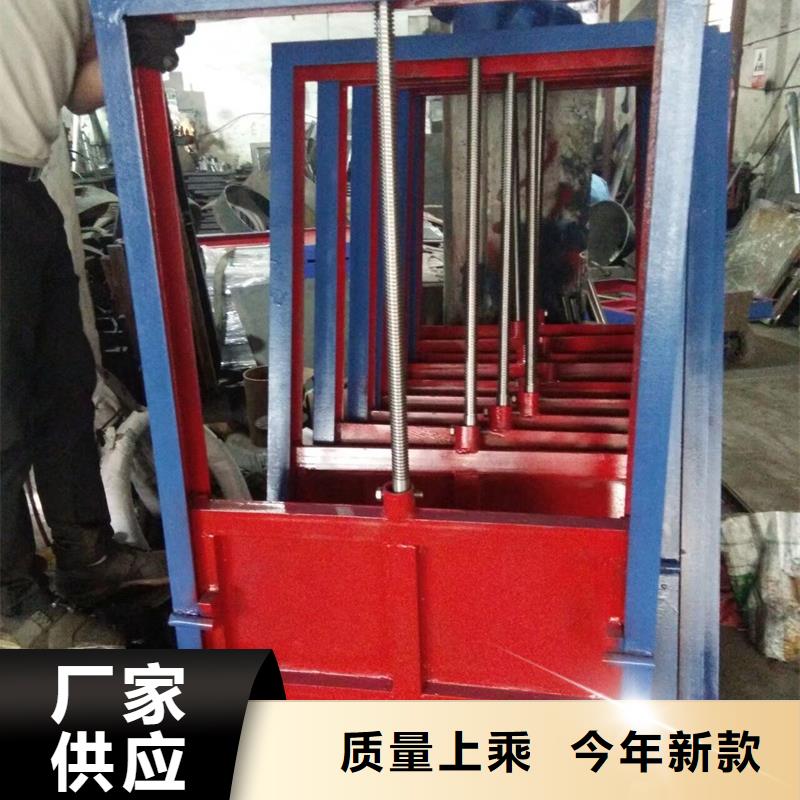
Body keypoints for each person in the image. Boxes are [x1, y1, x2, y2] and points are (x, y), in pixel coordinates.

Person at [0, 1, 193, 647]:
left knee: (63, 388)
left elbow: (78, 94)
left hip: (25, 190)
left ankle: (86, 558)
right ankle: (11, 603)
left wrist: (130, 46)